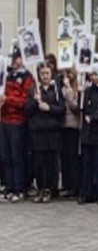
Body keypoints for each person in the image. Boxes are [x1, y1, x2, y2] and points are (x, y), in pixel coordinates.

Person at [26, 63, 65, 203]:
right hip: (37, 131)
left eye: (47, 73)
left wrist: (49, 108)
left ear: (51, 74)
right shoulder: (34, 90)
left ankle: (49, 188)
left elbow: (61, 109)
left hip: (52, 131)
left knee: (50, 162)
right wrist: (35, 102)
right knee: (38, 162)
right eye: (42, 73)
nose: (45, 76)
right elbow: (27, 111)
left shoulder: (56, 90)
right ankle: (40, 188)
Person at [0, 48, 34, 202]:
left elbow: (24, 101)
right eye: (13, 58)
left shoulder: (27, 77)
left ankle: (19, 188)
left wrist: (8, 100)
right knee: (5, 156)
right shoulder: (7, 76)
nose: (14, 61)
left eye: (17, 58)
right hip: (4, 119)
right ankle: (9, 186)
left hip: (18, 121)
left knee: (16, 156)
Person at [79, 65, 98, 205]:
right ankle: (87, 192)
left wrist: (93, 117)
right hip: (87, 133)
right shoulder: (87, 91)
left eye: (96, 75)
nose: (94, 77)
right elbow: (83, 107)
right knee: (87, 165)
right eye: (92, 75)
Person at [58, 69, 82, 199]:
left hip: (73, 125)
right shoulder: (62, 89)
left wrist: (68, 89)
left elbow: (74, 106)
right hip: (63, 125)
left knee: (73, 158)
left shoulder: (75, 89)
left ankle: (74, 186)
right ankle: (67, 185)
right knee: (65, 158)